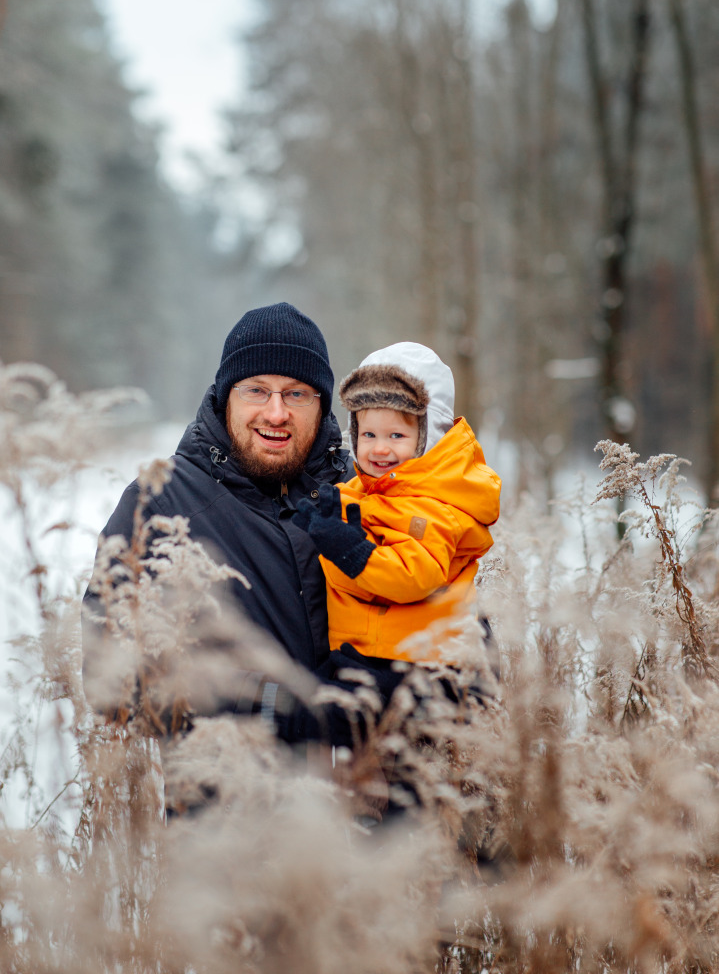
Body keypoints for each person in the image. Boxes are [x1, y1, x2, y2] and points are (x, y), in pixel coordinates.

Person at [82, 302, 364, 750]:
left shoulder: (366, 494)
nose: (276, 413)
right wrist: (271, 704)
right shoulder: (162, 501)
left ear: (322, 405)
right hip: (226, 811)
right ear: (225, 396)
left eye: (296, 394)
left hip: (363, 810)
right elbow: (110, 674)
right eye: (256, 390)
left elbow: (451, 639)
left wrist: (381, 693)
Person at [294, 341, 501, 679]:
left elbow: (417, 575)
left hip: (415, 661)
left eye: (396, 435)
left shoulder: (434, 504)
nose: (379, 448)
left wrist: (351, 550)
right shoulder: (366, 489)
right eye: (369, 433)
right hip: (373, 650)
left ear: (427, 437)